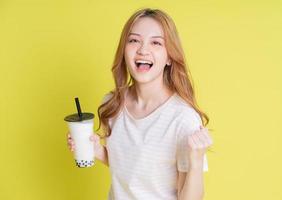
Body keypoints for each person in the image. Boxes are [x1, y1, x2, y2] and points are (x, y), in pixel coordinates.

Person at [67, 8, 213, 200]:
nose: (143, 50)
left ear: (169, 57)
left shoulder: (182, 118)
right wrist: (96, 151)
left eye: (156, 42)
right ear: (124, 50)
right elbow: (134, 169)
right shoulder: (113, 103)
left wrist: (195, 161)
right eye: (134, 40)